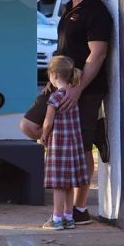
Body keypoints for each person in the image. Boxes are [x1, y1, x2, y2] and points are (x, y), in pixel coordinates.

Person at [21, 0, 113, 225]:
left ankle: (80, 209)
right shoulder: (69, 9)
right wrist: (56, 80)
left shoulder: (96, 11)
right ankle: (95, 130)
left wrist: (77, 89)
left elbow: (97, 55)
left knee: (83, 147)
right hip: (58, 86)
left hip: (85, 90)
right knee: (29, 125)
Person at [39, 56, 89, 230]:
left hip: (59, 146)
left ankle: (57, 218)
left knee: (59, 185)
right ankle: (69, 217)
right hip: (73, 146)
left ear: (54, 74)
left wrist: (44, 135)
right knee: (68, 184)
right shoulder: (72, 96)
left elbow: (48, 122)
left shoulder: (55, 97)